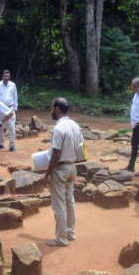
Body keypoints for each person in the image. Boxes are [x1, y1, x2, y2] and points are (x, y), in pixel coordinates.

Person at [42, 97, 84, 247]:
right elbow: (81, 149)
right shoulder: (75, 125)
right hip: (72, 167)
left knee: (59, 205)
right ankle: (70, 233)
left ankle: (61, 238)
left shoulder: (58, 129)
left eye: (52, 108)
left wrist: (47, 175)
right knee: (69, 201)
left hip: (60, 169)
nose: (51, 110)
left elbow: (55, 156)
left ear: (57, 109)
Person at [0, 70, 18, 152]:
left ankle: (12, 146)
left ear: (9, 76)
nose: (7, 78)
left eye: (8, 76)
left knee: (12, 128)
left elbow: (15, 97)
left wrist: (15, 108)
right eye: (5, 76)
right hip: (0, 109)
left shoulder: (12, 85)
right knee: (0, 127)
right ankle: (1, 144)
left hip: (10, 108)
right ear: (2, 77)